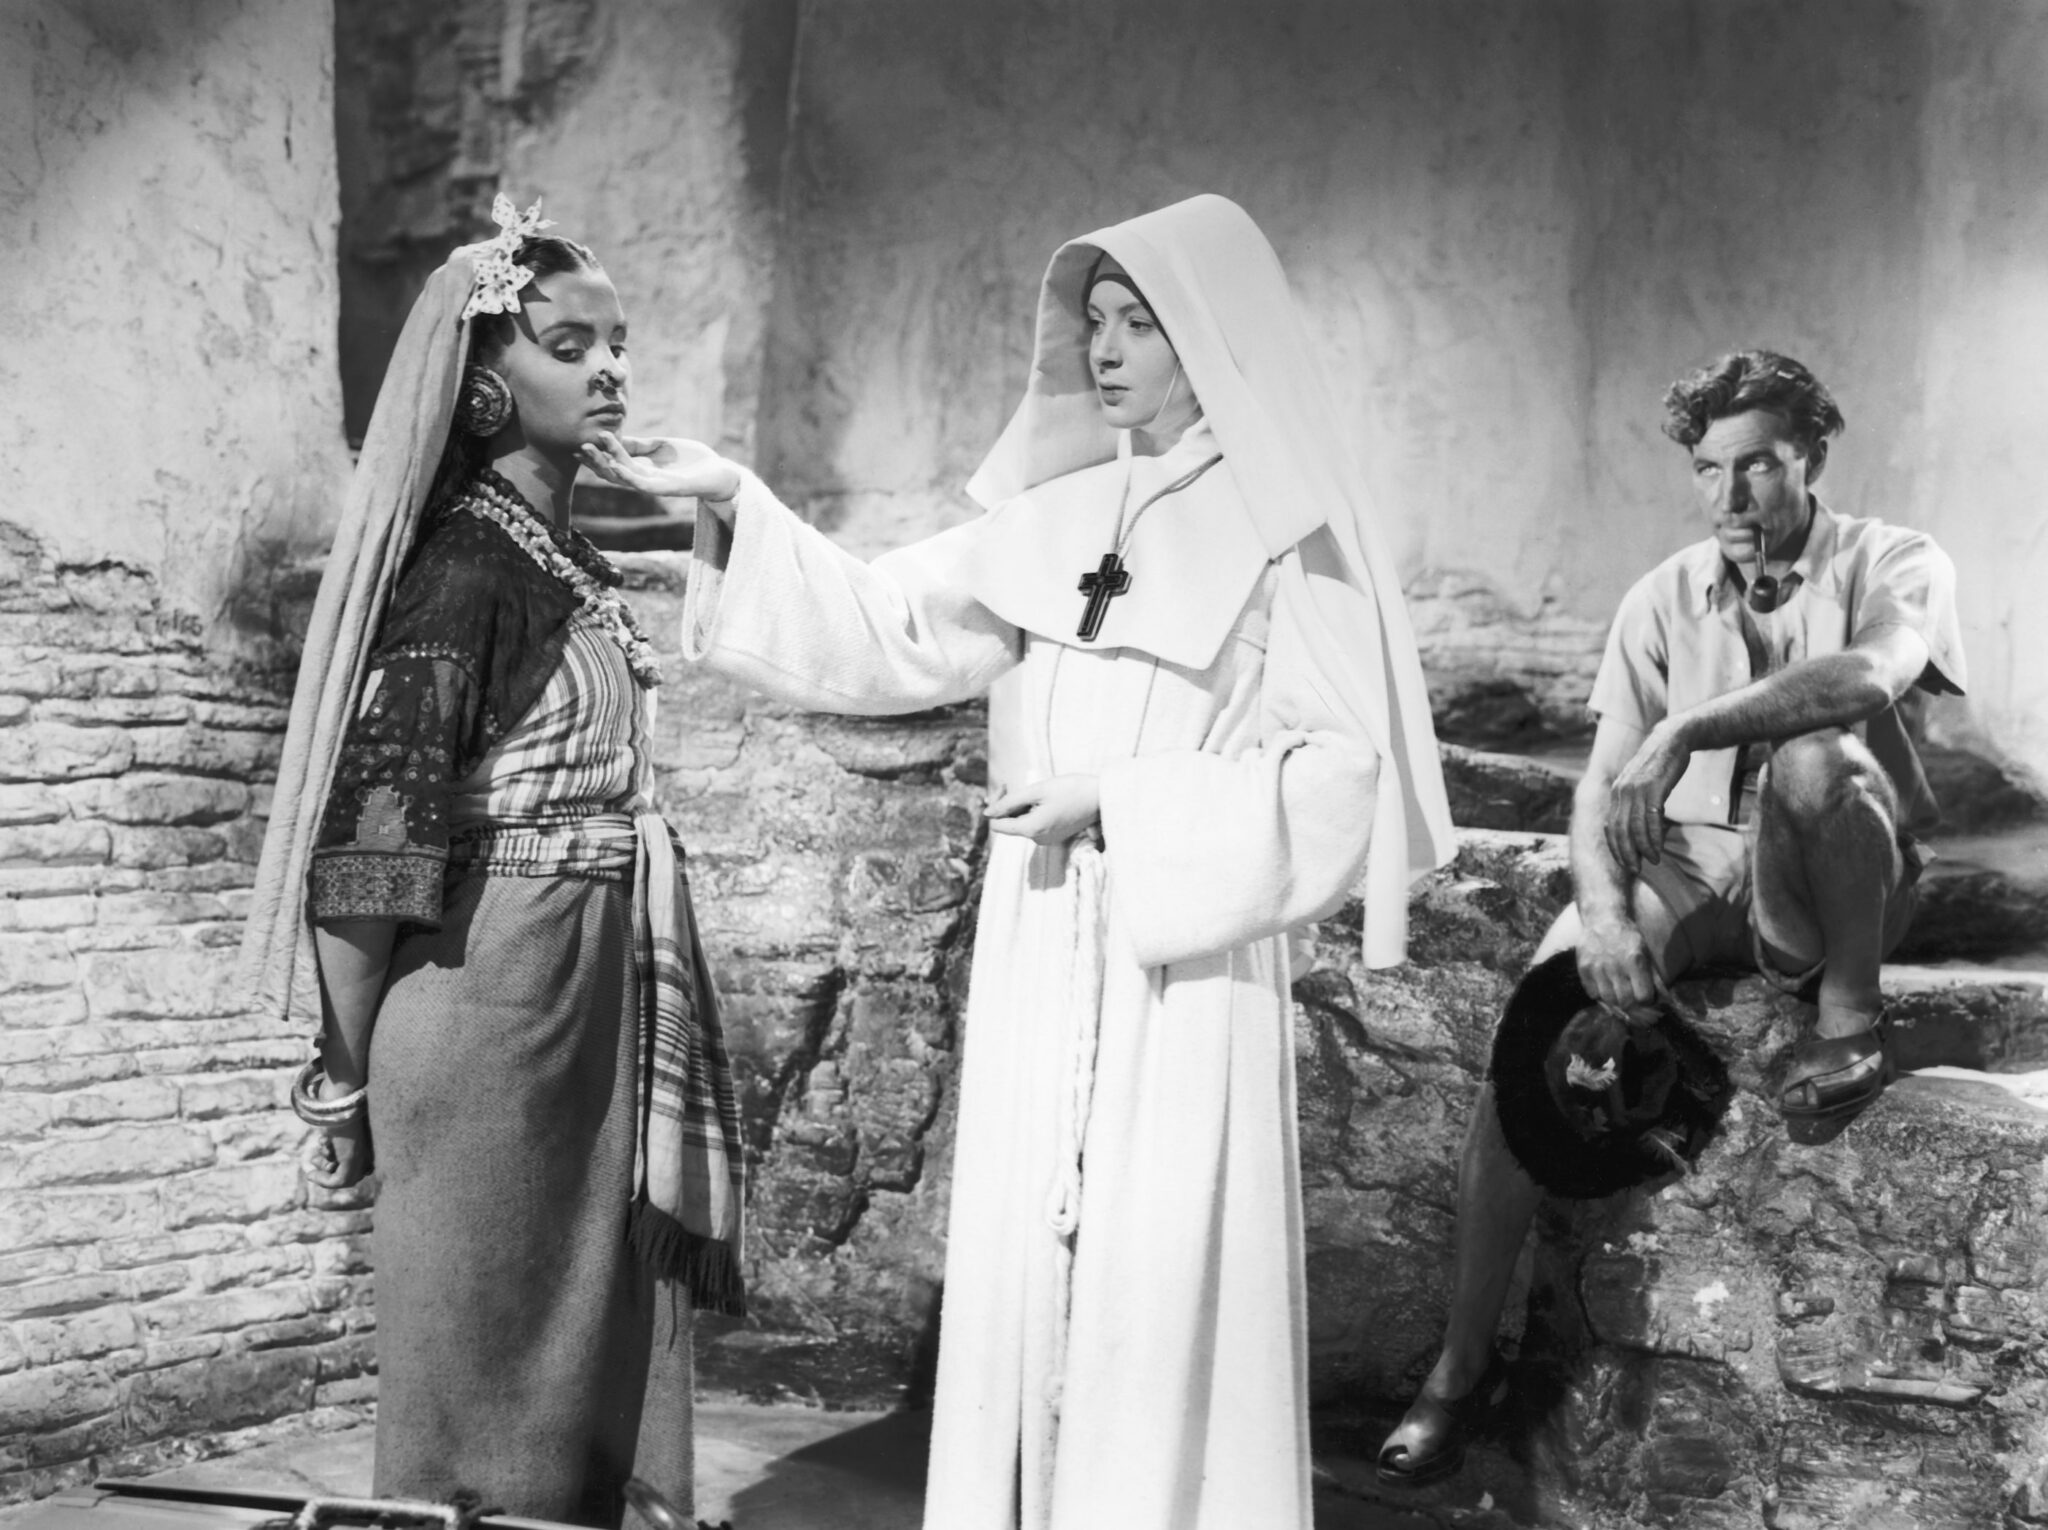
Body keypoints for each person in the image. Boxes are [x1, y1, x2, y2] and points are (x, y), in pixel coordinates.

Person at [580, 194, 1455, 1529]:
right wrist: (734, 502)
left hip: (1183, 955)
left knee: (1155, 1264)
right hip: (1044, 931)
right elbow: (889, 627)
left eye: (1139, 323)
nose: (1104, 349)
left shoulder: (1288, 529)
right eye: (1094, 321)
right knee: (1032, 1269)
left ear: (1211, 335)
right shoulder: (1059, 514)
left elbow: (1342, 776)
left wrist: (1119, 803)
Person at [1375, 348, 1966, 1488]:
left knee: (1816, 756)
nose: (1730, 497)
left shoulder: (1895, 558)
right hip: (1690, 863)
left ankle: (1848, 1020)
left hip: (1827, 873)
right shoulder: (1660, 595)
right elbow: (1600, 784)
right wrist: (1601, 916)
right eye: (1707, 470)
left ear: (1812, 457)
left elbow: (1867, 677)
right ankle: (1459, 1367)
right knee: (1536, 1032)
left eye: (1759, 466)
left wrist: (1688, 726)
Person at [241, 198, 747, 1527]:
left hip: (582, 983)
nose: (609, 369)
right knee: (483, 1354)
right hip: (493, 994)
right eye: (569, 346)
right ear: (480, 387)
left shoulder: (560, 553)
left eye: (616, 344)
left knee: (585, 1337)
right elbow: (370, 851)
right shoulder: (464, 571)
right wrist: (344, 1077)